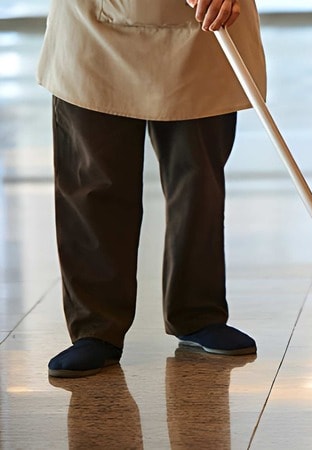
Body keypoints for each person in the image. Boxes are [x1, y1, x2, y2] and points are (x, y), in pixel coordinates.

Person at [37, 0, 268, 378]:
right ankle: (95, 328)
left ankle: (198, 314)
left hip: (205, 26)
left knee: (199, 182)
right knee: (94, 181)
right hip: (95, 25)